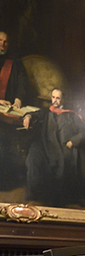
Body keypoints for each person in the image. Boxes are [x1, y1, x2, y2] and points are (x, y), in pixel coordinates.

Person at [22, 88, 85, 206]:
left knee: (64, 163)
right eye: (53, 97)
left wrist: (73, 141)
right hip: (48, 146)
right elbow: (34, 113)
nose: (55, 100)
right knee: (34, 157)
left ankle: (61, 199)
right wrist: (28, 117)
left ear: (63, 99)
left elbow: (84, 133)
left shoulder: (72, 115)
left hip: (65, 146)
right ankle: (36, 193)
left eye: (58, 98)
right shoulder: (48, 111)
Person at [0, 31, 33, 190]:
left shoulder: (15, 62)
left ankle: (6, 181)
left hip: (8, 111)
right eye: (0, 41)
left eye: (5, 41)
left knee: (7, 143)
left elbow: (22, 82)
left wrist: (19, 98)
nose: (2, 44)